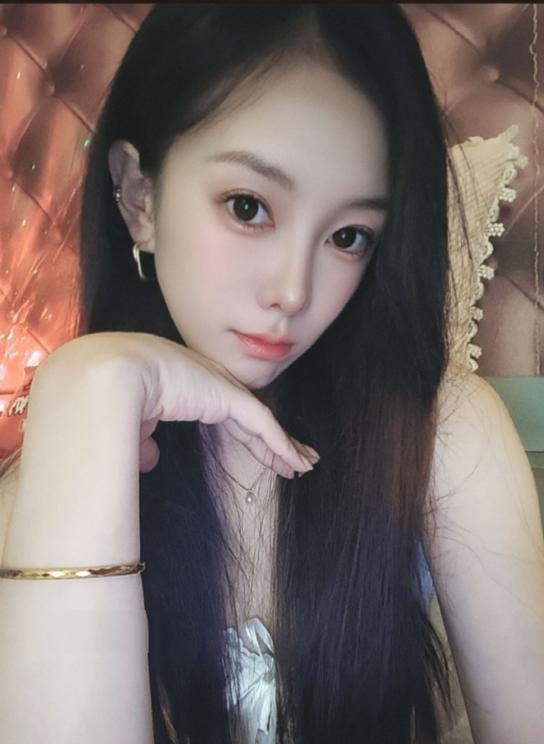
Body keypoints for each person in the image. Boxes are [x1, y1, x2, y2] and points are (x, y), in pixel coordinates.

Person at [0, 5, 542, 744]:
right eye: (248, 206)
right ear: (138, 196)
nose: (293, 292)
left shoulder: (442, 432)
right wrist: (85, 389)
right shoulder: (53, 475)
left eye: (348, 235)